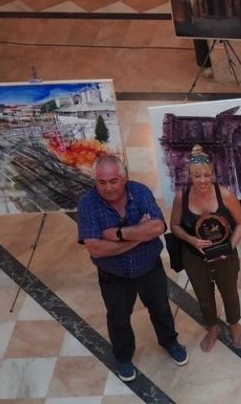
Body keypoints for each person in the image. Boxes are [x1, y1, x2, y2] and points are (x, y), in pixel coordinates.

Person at [77, 155, 187, 382]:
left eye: (113, 181)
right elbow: (95, 248)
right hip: (113, 276)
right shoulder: (87, 203)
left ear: (124, 178)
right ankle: (123, 358)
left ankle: (170, 342)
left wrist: (118, 235)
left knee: (161, 309)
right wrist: (139, 235)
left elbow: (158, 226)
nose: (108, 188)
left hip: (149, 268)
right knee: (118, 318)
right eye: (101, 182)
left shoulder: (140, 192)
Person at [169, 145, 241, 352]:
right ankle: (212, 327)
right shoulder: (181, 197)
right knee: (203, 295)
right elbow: (174, 226)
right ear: (189, 176)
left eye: (206, 175)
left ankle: (234, 323)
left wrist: (229, 247)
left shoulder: (225, 195)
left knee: (229, 291)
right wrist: (190, 239)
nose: (202, 180)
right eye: (197, 176)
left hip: (225, 254)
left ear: (212, 173)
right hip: (194, 255)